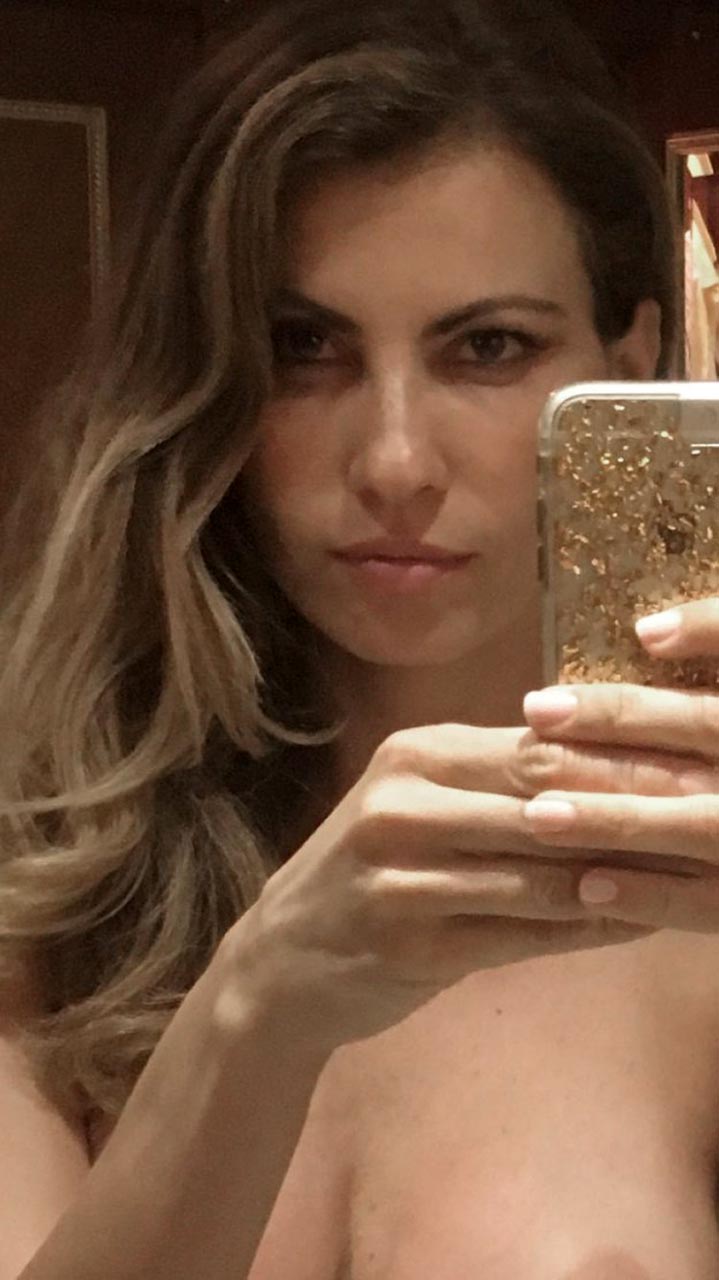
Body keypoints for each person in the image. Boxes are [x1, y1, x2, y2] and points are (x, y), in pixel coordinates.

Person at [3, 0, 719, 1275]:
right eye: (304, 349)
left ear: (628, 357)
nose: (393, 461)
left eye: (486, 347)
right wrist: (258, 1002)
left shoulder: (692, 880)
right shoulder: (64, 871)